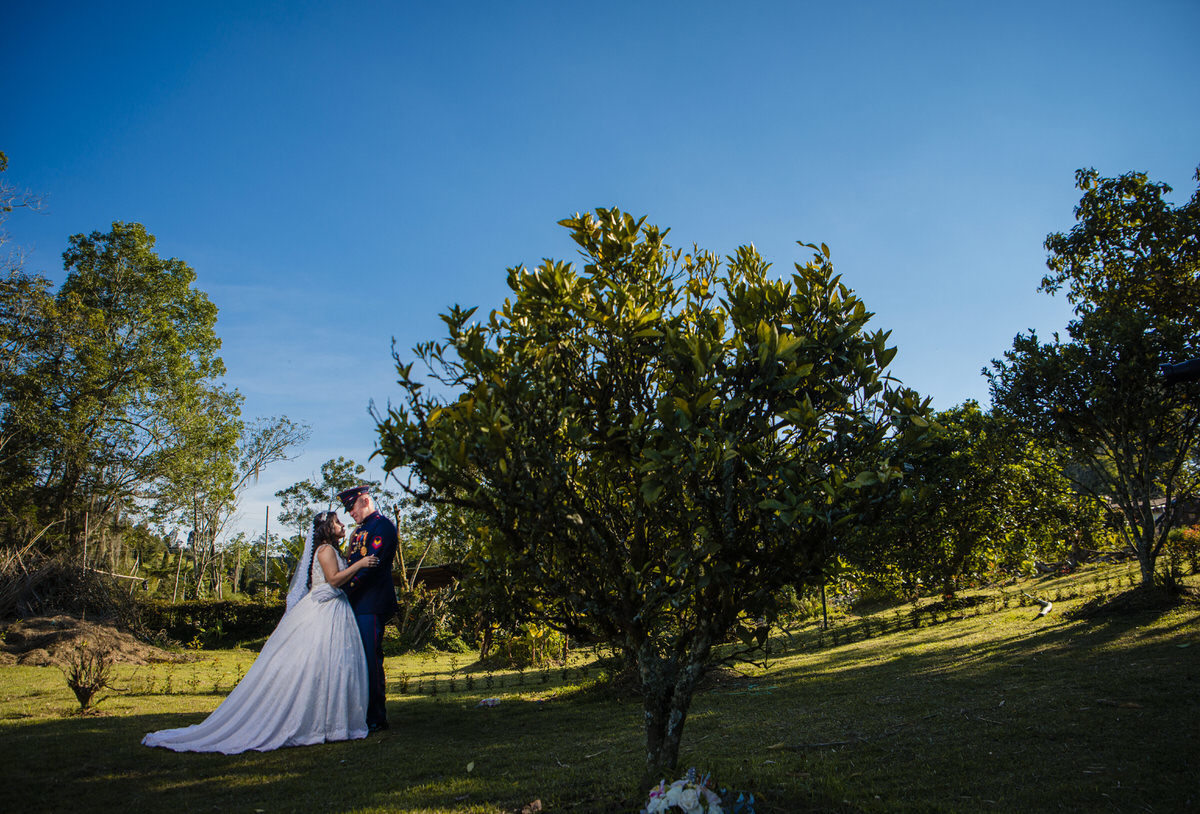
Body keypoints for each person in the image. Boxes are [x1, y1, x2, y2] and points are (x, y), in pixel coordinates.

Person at [142, 512, 379, 753]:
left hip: (333, 609)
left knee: (332, 665)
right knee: (324, 664)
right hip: (325, 610)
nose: (342, 525)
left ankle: (330, 723)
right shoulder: (326, 550)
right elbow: (334, 579)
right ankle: (326, 724)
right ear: (327, 528)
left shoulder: (331, 550)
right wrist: (361, 563)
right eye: (337, 522)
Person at [337, 484, 399, 733]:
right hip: (357, 603)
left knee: (370, 660)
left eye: (351, 507)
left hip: (371, 603)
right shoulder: (360, 530)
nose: (350, 513)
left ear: (364, 500)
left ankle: (376, 717)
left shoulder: (381, 526)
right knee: (358, 661)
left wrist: (341, 589)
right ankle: (362, 712)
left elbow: (369, 566)